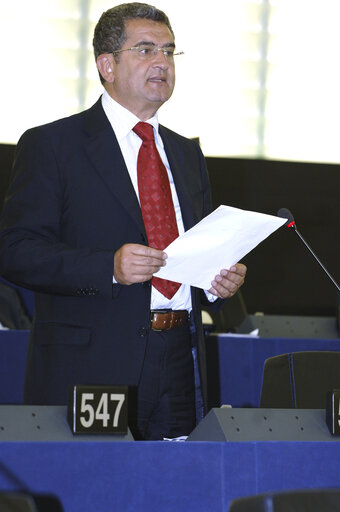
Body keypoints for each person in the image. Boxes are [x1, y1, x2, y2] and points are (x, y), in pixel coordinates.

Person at [0, 2, 246, 440]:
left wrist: (215, 282)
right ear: (107, 64)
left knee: (176, 491)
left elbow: (195, 252)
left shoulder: (186, 155)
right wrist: (107, 268)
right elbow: (16, 251)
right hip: (93, 360)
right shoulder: (53, 145)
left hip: (180, 356)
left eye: (170, 52)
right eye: (146, 50)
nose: (162, 63)